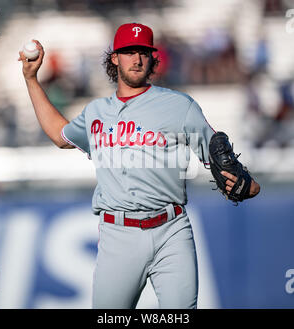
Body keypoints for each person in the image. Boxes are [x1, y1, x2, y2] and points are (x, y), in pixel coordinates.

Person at [19, 23, 260, 309]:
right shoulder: (96, 112)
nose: (137, 59)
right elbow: (60, 136)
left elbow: (219, 155)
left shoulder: (180, 106)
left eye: (144, 52)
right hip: (117, 235)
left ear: (152, 58)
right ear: (114, 58)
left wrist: (248, 185)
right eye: (129, 51)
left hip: (172, 230)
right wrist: (31, 80)